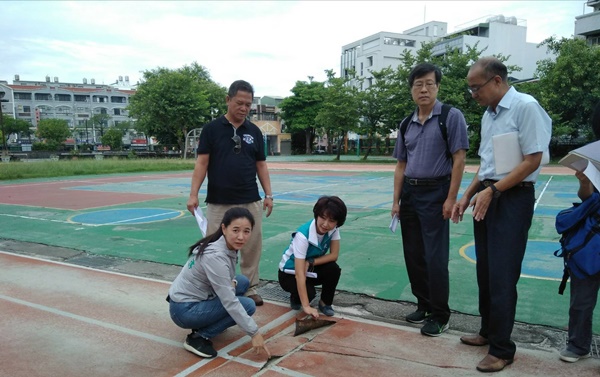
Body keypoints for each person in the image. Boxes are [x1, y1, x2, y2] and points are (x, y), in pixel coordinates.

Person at [452, 57, 552, 372]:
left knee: (503, 274)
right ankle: (487, 331)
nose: (473, 94)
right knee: (486, 270)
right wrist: (467, 194)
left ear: (496, 81)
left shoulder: (526, 107)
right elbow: (487, 165)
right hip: (488, 195)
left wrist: (494, 191)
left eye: (476, 88)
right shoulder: (488, 116)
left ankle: (502, 349)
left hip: (512, 197)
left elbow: (533, 159)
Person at [391, 62, 469, 337]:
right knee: (413, 254)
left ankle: (440, 314)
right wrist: (396, 201)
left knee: (435, 257)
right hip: (410, 194)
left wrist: (451, 198)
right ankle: (423, 304)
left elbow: (460, 159)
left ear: (437, 87)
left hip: (437, 192)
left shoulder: (451, 116)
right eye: (418, 84)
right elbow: (401, 164)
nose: (423, 89)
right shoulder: (406, 123)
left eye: (429, 83)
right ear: (411, 89)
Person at [187, 80, 274, 306]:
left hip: (250, 199)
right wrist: (193, 194)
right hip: (219, 201)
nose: (244, 108)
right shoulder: (212, 130)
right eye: (239, 103)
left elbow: (261, 165)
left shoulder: (254, 131)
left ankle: (251, 287)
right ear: (228, 100)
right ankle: (214, 288)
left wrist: (268, 195)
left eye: (248, 104)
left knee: (251, 244)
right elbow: (202, 163)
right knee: (213, 248)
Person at [168, 207, 271, 359]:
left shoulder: (225, 244)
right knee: (247, 305)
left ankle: (208, 321)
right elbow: (229, 301)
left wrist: (231, 284)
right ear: (224, 228)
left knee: (241, 281)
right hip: (184, 310)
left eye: (246, 231)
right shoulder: (215, 256)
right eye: (235, 230)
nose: (241, 237)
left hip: (193, 299)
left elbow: (227, 280)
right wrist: (254, 333)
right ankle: (198, 337)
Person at [559, 99, 600, 363]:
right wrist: (584, 182)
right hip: (592, 238)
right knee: (582, 297)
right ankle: (578, 344)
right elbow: (586, 198)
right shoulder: (593, 153)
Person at [278, 196, 348, 317]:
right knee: (309, 294)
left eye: (331, 221)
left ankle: (325, 303)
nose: (326, 224)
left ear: (337, 222)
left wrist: (310, 262)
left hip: (309, 268)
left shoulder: (334, 230)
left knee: (333, 269)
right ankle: (295, 297)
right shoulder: (302, 236)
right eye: (323, 218)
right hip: (289, 273)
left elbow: (334, 255)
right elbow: (299, 273)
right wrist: (306, 306)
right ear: (317, 215)